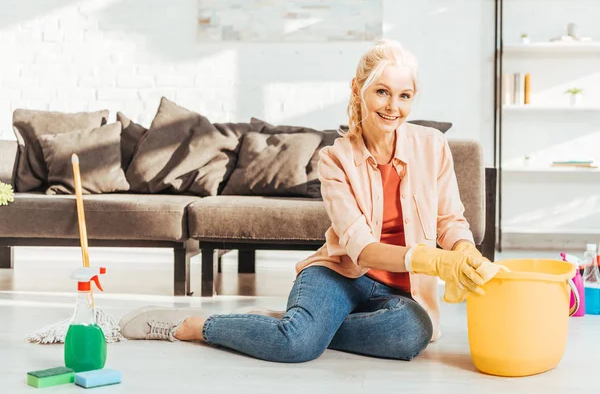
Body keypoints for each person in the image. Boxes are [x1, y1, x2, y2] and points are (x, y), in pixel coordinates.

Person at [119, 39, 504, 363]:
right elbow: (360, 249)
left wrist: (464, 251)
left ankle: (297, 323)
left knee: (412, 333)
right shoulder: (335, 159)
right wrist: (430, 258)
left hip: (399, 293)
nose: (393, 107)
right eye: (382, 92)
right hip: (339, 275)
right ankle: (201, 327)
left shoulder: (432, 146)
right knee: (298, 346)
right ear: (359, 90)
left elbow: (450, 220)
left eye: (404, 95)